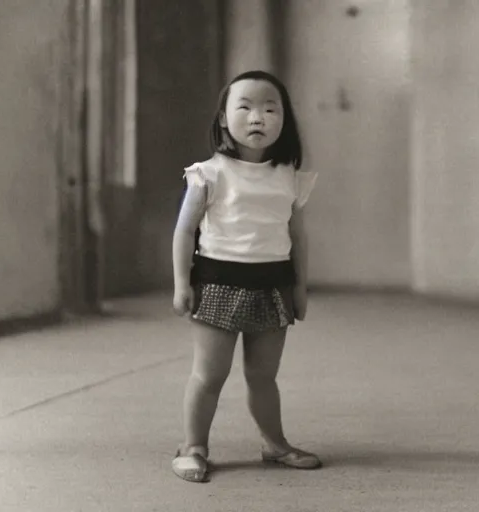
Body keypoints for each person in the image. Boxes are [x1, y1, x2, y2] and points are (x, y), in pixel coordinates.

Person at [171, 70, 320, 483]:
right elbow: (185, 232)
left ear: (284, 120)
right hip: (217, 284)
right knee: (209, 374)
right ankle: (193, 446)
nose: (259, 117)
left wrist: (300, 289)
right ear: (223, 119)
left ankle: (276, 443)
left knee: (263, 376)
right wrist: (182, 284)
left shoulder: (289, 176)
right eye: (246, 107)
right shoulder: (208, 173)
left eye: (271, 109)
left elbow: (298, 237)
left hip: (273, 286)